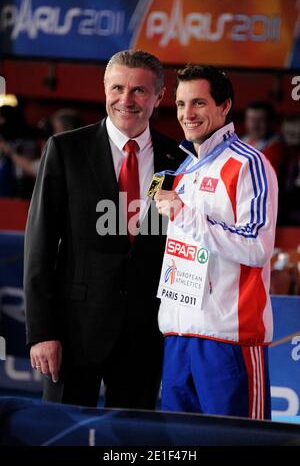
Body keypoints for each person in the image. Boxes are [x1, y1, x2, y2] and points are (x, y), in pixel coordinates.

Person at [24, 50, 185, 409]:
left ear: (159, 97)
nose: (126, 100)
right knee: (62, 436)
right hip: (73, 332)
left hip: (146, 335)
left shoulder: (177, 159)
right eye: (117, 88)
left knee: (132, 439)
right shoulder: (66, 150)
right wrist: (42, 332)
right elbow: (39, 247)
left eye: (139, 91)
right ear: (105, 90)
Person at [154, 65, 278, 419]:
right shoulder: (180, 171)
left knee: (241, 444)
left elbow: (257, 247)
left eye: (198, 103)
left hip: (228, 338)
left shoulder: (249, 163)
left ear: (225, 107)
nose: (186, 114)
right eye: (180, 104)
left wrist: (184, 214)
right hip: (178, 334)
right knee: (182, 447)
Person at [242, 100, 286, 177]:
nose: (255, 125)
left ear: (271, 122)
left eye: (261, 120)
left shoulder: (276, 147)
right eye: (251, 120)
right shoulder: (242, 140)